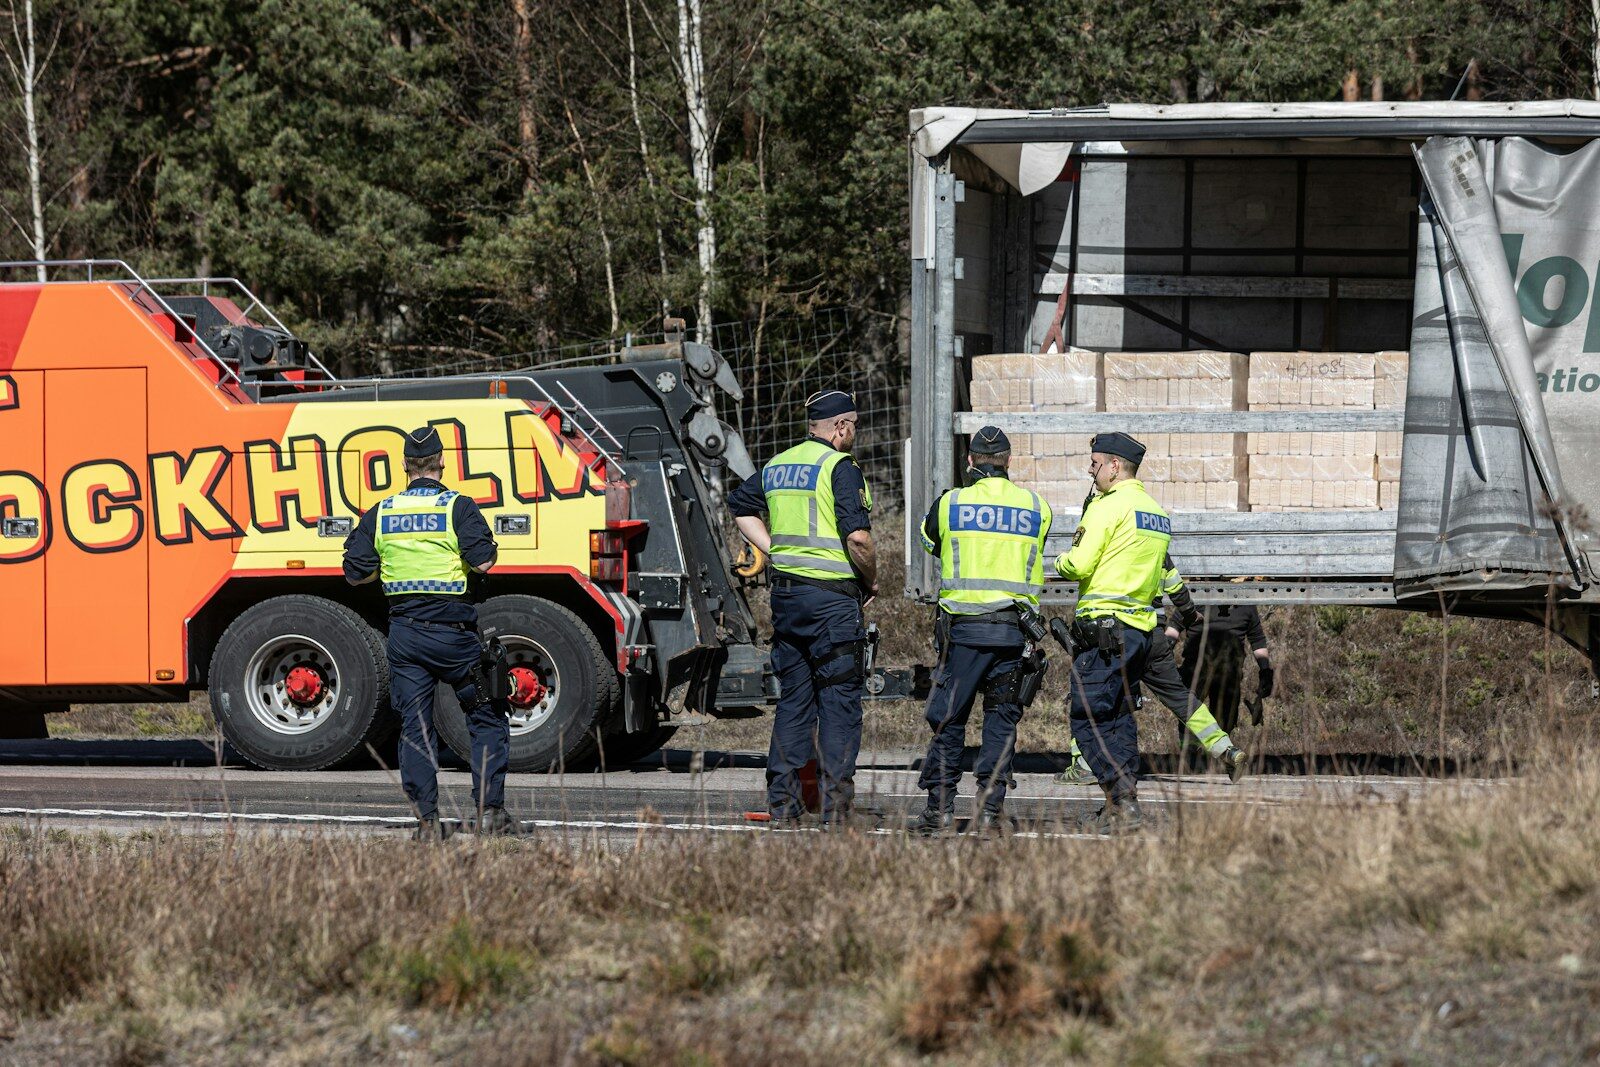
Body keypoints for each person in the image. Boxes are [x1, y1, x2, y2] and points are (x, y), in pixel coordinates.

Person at [343, 425, 513, 840]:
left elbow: (355, 573)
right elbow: (485, 563)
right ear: (441, 462)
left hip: (405, 636)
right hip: (454, 637)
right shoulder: (459, 507)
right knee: (487, 716)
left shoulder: (381, 512)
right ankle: (489, 814)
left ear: (404, 466)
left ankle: (427, 823)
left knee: (415, 728)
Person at [729, 389, 877, 829]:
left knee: (794, 703)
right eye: (853, 426)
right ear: (840, 427)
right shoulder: (840, 467)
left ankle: (783, 807)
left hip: (788, 600)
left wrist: (776, 551)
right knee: (838, 704)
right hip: (832, 602)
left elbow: (740, 506)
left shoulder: (777, 464)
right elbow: (859, 539)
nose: (854, 434)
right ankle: (835, 812)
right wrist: (870, 580)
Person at [914, 426, 1052, 837]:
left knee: (949, 721)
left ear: (971, 461)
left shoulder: (951, 504)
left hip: (964, 636)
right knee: (1001, 722)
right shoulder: (1035, 506)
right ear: (1008, 461)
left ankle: (938, 813)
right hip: (1014, 635)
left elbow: (929, 541)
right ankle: (990, 814)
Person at [1051, 432, 1169, 833]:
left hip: (1103, 631)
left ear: (1115, 466)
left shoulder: (1107, 506)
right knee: (1119, 718)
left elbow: (1079, 564)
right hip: (1138, 632)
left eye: (1095, 463)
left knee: (1087, 718)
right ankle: (1123, 804)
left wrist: (1060, 560)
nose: (1090, 469)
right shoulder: (1155, 512)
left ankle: (1121, 801)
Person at [1058, 556, 1249, 784]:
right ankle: (1224, 748)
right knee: (1179, 696)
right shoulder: (1157, 549)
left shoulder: (1119, 543)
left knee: (1092, 692)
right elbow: (1177, 587)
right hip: (1154, 634)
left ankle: (1085, 764)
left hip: (1120, 629)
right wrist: (1188, 613)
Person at [1178, 603, 1273, 768]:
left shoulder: (1246, 607)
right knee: (1190, 710)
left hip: (1229, 668)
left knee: (1226, 714)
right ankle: (1191, 757)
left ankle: (1217, 757)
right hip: (1197, 665)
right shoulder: (1195, 599)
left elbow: (1257, 639)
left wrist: (1265, 670)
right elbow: (1173, 628)